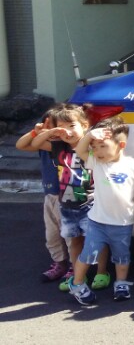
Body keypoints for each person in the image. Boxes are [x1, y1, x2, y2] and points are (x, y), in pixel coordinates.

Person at [68, 116, 134, 305]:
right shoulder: (96, 162)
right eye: (95, 146)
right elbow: (80, 149)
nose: (97, 151)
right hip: (97, 222)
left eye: (103, 146)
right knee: (88, 255)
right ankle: (77, 283)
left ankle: (121, 283)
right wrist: (90, 135)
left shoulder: (132, 165)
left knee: (122, 256)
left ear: (121, 145)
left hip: (122, 224)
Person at [29, 103, 112, 293]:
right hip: (67, 205)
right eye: (62, 128)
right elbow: (35, 144)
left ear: (84, 125)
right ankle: (78, 275)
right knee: (75, 241)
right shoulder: (58, 146)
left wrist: (91, 135)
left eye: (72, 126)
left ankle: (102, 271)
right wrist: (51, 132)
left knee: (97, 239)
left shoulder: (91, 146)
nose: (67, 131)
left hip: (91, 203)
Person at [15, 113, 69, 283]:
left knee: (70, 235)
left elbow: (37, 144)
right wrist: (35, 132)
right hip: (50, 196)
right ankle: (59, 263)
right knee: (52, 234)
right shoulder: (44, 145)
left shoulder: (64, 146)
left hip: (68, 197)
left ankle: (75, 266)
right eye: (49, 126)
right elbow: (21, 145)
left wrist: (46, 135)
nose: (53, 131)